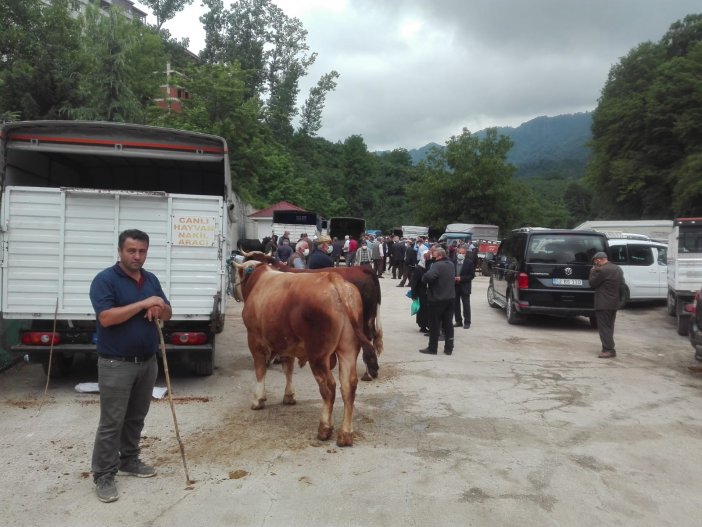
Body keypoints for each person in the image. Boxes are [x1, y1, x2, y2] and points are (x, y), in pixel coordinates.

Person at [89, 229, 172, 503]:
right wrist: (143, 304)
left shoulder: (151, 279)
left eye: (142, 251)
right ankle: (103, 475)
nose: (137, 256)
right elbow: (107, 318)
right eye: (131, 251)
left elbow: (168, 311)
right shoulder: (105, 280)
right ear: (120, 251)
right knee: (112, 422)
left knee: (136, 417)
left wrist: (159, 307)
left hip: (147, 362)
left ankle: (129, 460)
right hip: (116, 364)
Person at [419, 246, 455, 356]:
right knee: (448, 324)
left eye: (434, 254)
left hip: (437, 299)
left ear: (439, 256)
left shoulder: (437, 265)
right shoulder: (451, 264)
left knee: (434, 324)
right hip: (450, 298)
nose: (432, 255)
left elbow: (427, 278)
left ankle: (432, 348)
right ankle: (449, 348)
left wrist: (425, 274)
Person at [589, 251, 624, 358]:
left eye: (596, 262)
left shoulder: (602, 270)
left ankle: (608, 350)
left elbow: (592, 283)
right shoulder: (618, 269)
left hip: (603, 303)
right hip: (613, 303)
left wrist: (592, 271)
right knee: (609, 326)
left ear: (599, 260)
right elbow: (622, 285)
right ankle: (609, 347)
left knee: (604, 327)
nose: (596, 264)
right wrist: (620, 300)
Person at [453, 246, 475, 329]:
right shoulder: (453, 261)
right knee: (455, 304)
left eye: (463, 253)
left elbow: (471, 275)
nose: (461, 254)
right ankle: (458, 321)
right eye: (459, 253)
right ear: (457, 253)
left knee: (466, 305)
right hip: (455, 286)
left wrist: (461, 278)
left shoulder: (469, 262)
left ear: (465, 254)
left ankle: (467, 322)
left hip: (465, 286)